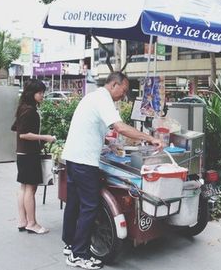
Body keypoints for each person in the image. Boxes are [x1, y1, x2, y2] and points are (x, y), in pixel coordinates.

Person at [61, 72, 162, 269]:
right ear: (114, 85)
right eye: (123, 91)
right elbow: (120, 127)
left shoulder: (92, 96)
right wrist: (149, 138)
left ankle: (71, 243)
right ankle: (78, 255)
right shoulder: (103, 98)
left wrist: (108, 142)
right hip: (84, 161)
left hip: (73, 157)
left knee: (74, 202)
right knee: (90, 206)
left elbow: (92, 126)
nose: (123, 96)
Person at [13, 79, 56, 234]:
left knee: (24, 188)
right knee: (30, 189)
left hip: (22, 153)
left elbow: (16, 128)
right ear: (32, 93)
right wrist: (45, 137)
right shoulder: (29, 110)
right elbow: (24, 134)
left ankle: (22, 221)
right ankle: (32, 223)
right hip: (29, 153)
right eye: (40, 93)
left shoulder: (22, 108)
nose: (42, 95)